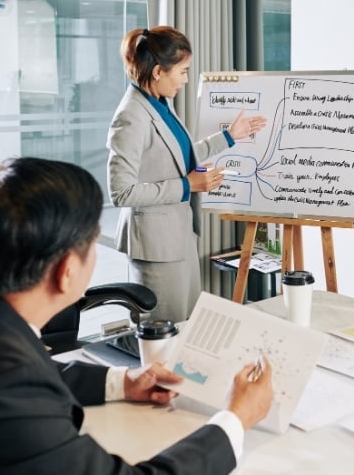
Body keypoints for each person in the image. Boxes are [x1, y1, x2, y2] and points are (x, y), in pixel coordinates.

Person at [0, 157, 273, 474]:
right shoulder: (11, 388)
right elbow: (17, 386)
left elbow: (30, 374)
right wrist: (235, 418)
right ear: (67, 271)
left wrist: (122, 382)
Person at [107, 26, 267, 322]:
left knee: (187, 327)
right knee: (164, 335)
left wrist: (229, 136)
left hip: (179, 238)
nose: (186, 79)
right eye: (182, 72)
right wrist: (186, 186)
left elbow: (178, 154)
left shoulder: (160, 103)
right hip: (155, 248)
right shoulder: (130, 116)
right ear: (158, 72)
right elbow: (121, 192)